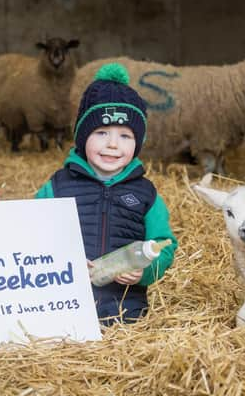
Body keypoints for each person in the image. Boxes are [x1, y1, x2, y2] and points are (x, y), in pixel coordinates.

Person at [35, 63, 177, 325]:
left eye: (125, 135)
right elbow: (32, 232)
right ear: (82, 137)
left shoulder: (146, 194)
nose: (113, 144)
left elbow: (164, 244)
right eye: (101, 133)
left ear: (138, 143)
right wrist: (61, 262)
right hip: (64, 302)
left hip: (125, 307)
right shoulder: (58, 187)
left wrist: (144, 272)